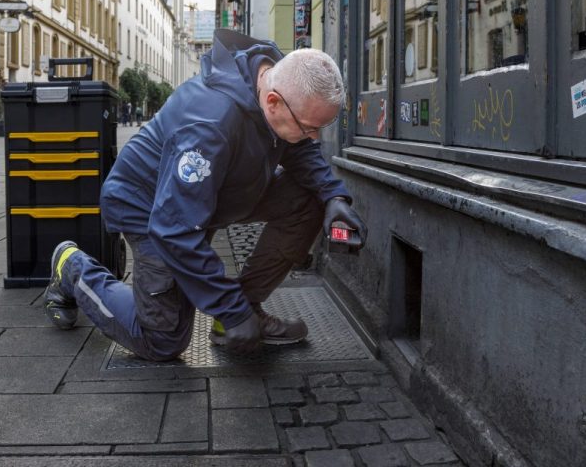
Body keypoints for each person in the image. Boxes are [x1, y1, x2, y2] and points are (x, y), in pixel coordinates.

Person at [43, 30, 367, 360]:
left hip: (214, 192)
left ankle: (243, 311)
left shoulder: (276, 82)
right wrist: (230, 308)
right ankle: (72, 266)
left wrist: (334, 198)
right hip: (150, 206)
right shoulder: (209, 123)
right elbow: (174, 230)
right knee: (162, 340)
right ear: (273, 102)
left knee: (310, 198)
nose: (313, 137)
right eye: (310, 128)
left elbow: (297, 150)